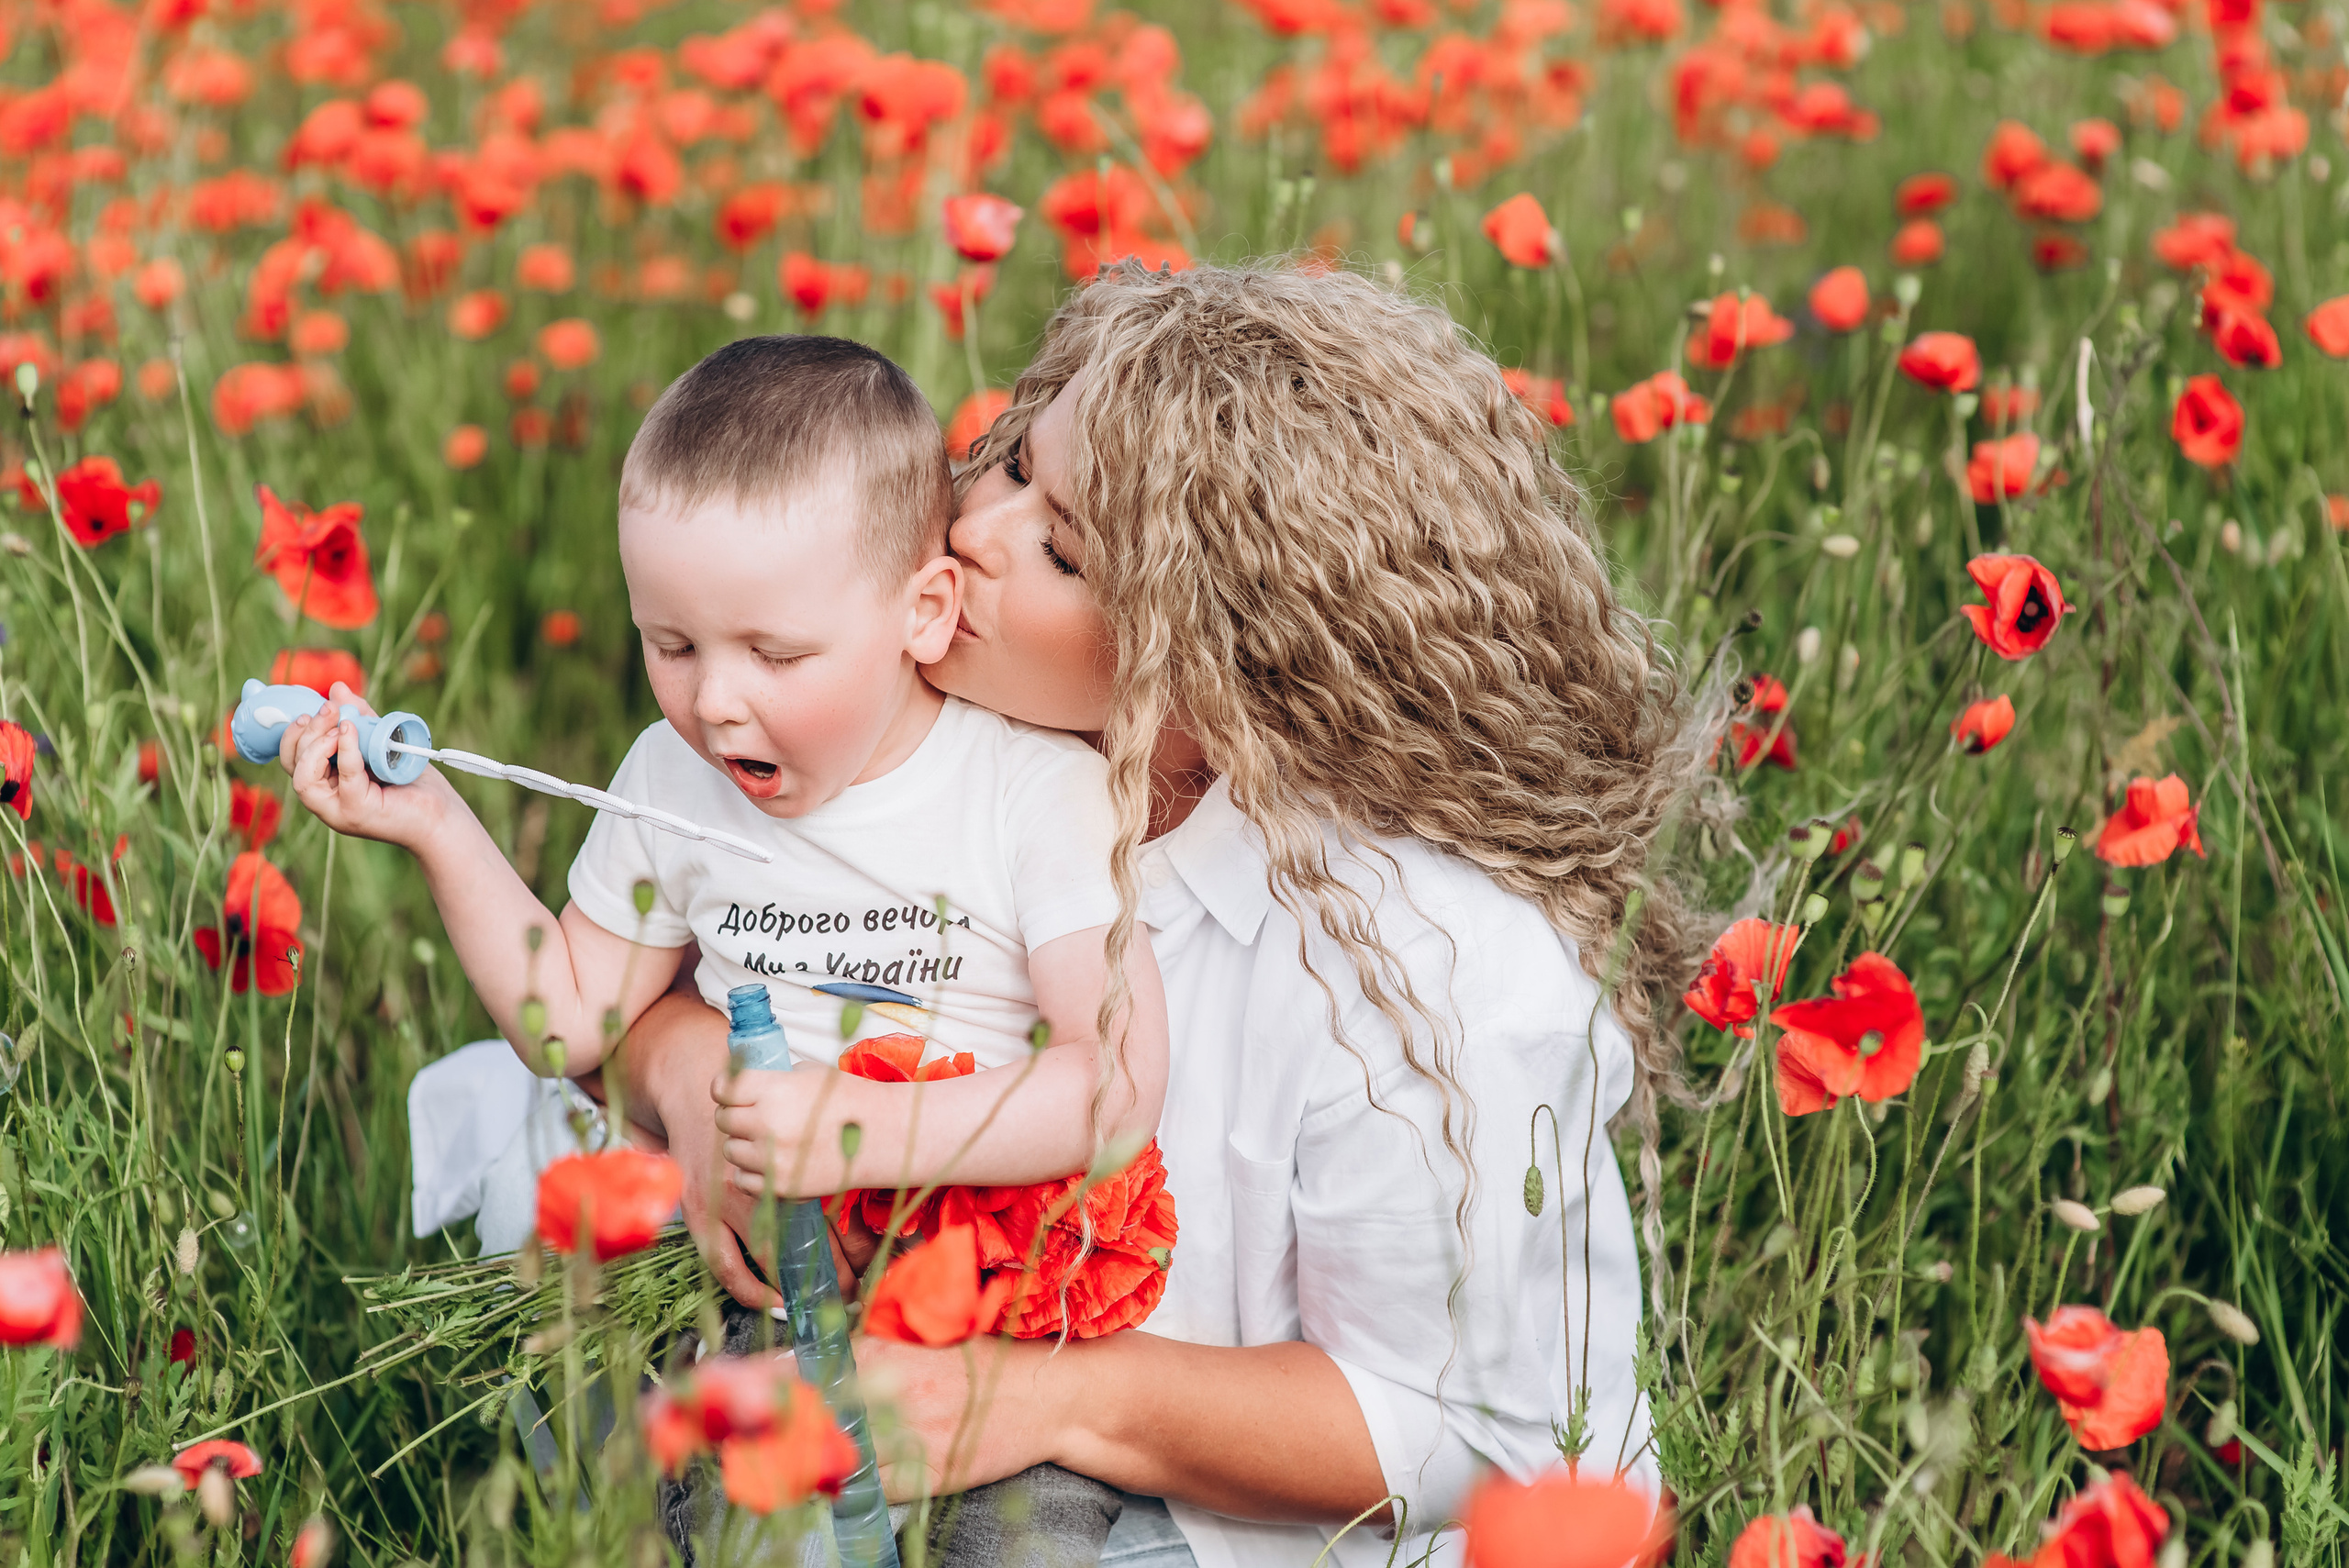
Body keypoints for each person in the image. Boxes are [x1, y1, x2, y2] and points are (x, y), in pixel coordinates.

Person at [616, 262, 1709, 1567]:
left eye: (1062, 550)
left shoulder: (1428, 971)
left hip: (1252, 1524)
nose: (974, 531)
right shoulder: (921, 732)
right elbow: (665, 971)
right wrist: (692, 1081)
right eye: (1012, 462)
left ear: (1220, 662)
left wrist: (1038, 1400)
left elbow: (1479, 1439)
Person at [287, 335, 1174, 1559]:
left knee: (1016, 1545)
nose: (713, 701)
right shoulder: (673, 778)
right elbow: (567, 1019)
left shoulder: (1031, 791)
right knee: (744, 1528)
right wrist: (436, 827)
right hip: (751, 1289)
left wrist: (857, 1128)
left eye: (775, 654)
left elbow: (1113, 1082)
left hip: (996, 1317)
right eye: (673, 645)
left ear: (921, 611)